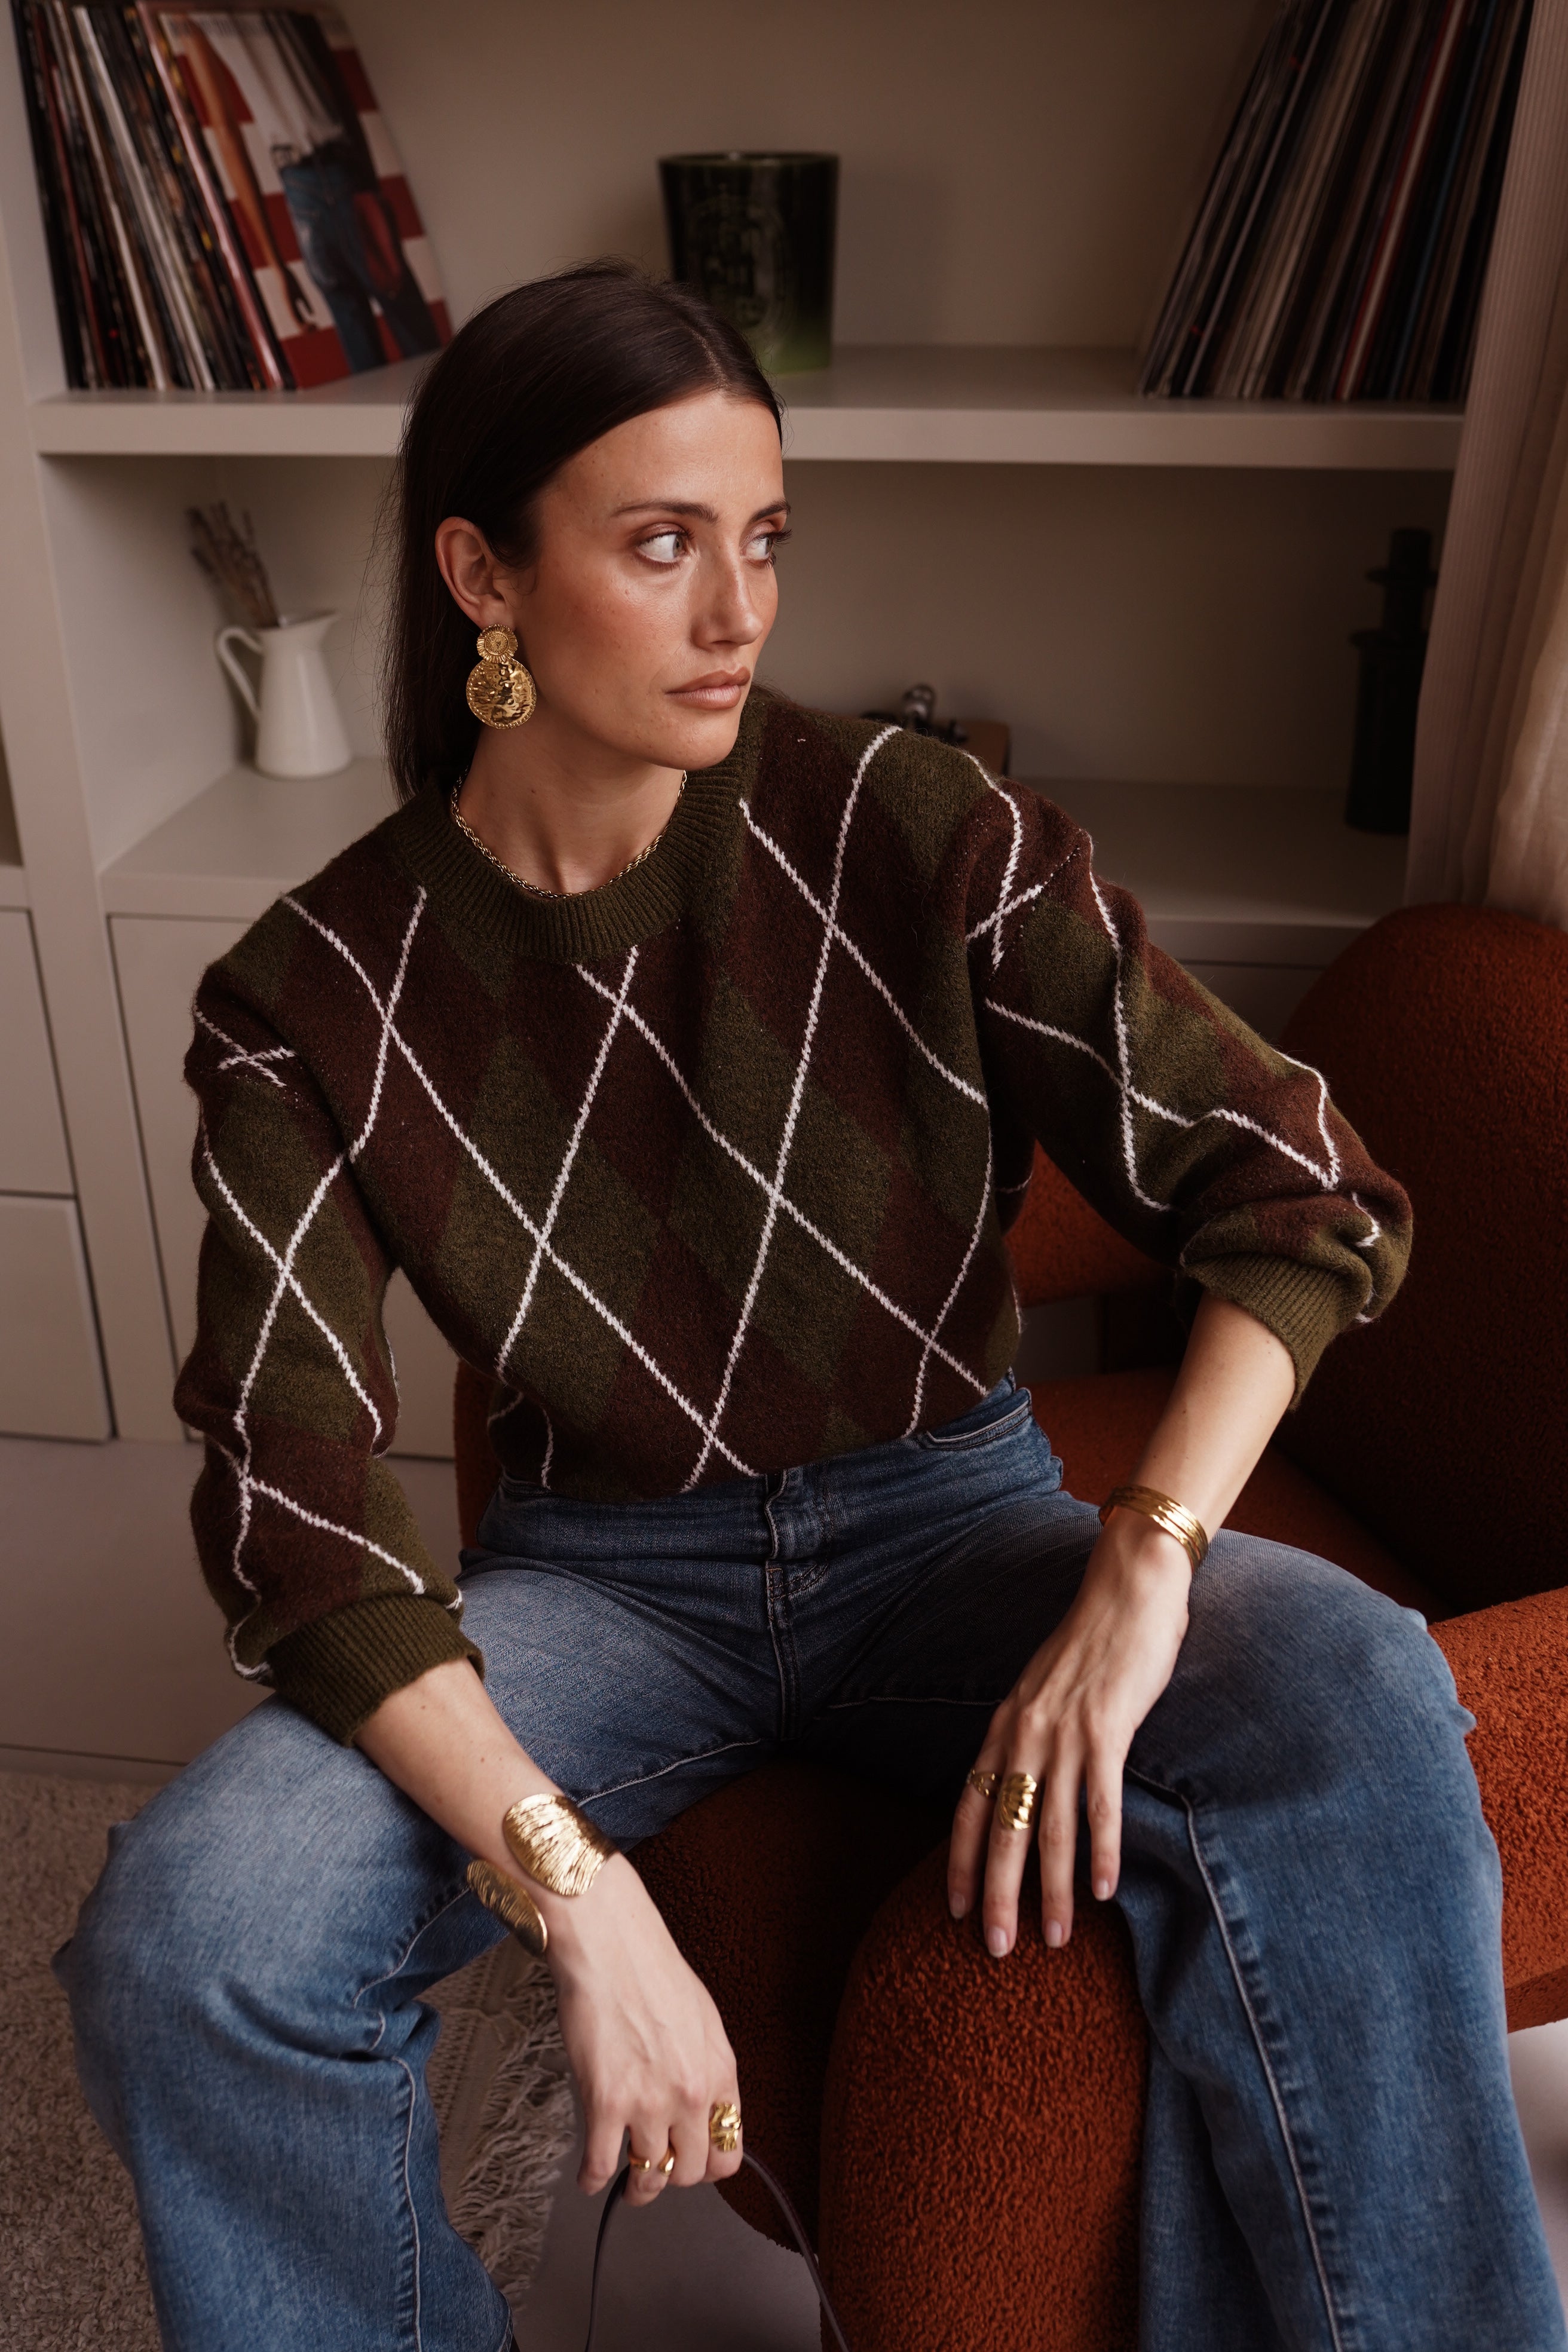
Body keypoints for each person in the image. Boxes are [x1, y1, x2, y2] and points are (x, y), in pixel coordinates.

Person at [58, 262, 1564, 2352]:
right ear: (483, 577)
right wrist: (580, 1897)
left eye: (762, 539)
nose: (739, 612)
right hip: (598, 1591)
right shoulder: (310, 997)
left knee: (1351, 1686)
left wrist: (1143, 1565)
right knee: (192, 1939)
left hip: (958, 1529)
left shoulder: (916, 829)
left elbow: (1298, 1188)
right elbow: (291, 1513)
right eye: (661, 544)